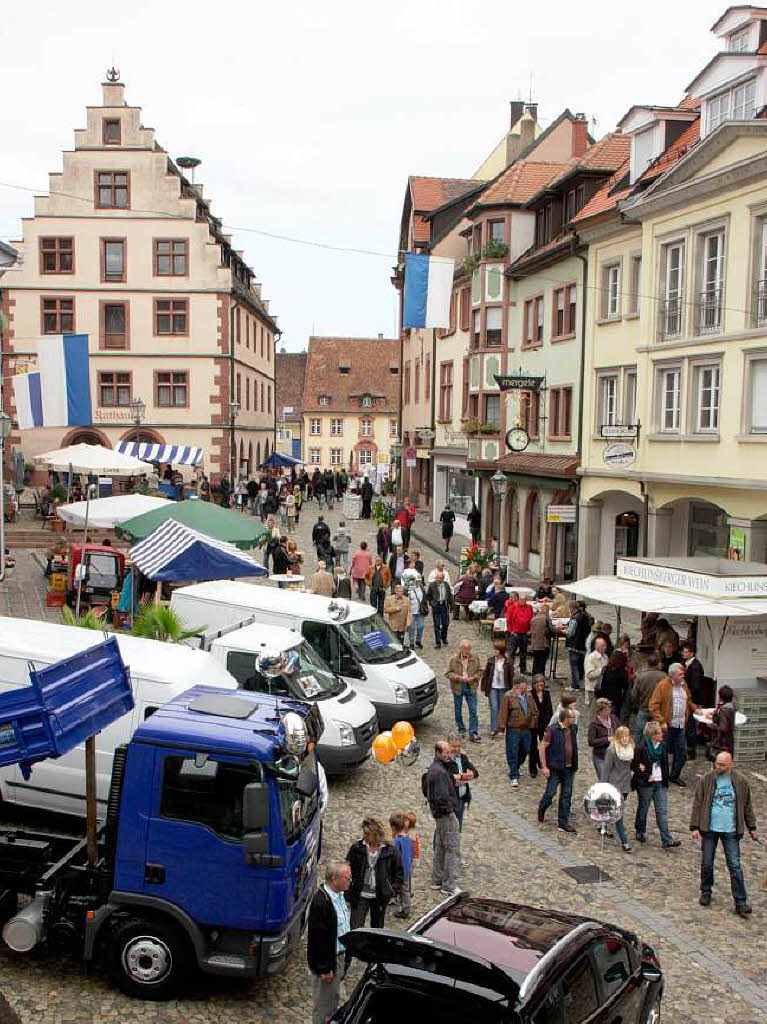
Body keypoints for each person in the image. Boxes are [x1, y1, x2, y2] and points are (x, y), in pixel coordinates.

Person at [691, 751, 757, 917]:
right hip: (710, 828)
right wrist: (695, 826)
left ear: (730, 765)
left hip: (731, 830)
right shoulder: (707, 779)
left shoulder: (741, 781)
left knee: (735, 866)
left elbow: (747, 805)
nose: (717, 767)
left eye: (722, 765)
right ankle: (706, 891)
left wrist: (752, 827)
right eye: (717, 764)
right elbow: (698, 803)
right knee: (707, 863)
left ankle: (740, 902)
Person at [307, 861, 352, 1024]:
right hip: (328, 964)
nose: (350, 881)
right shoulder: (321, 902)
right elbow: (318, 940)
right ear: (334, 879)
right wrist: (325, 968)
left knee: (333, 1002)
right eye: (347, 878)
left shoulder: (339, 896)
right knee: (323, 1007)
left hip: (338, 958)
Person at [345, 818, 403, 941]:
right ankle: (352, 954)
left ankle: (374, 956)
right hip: (360, 894)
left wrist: (391, 891)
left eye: (367, 833)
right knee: (355, 928)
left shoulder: (390, 851)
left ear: (376, 834)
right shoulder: (357, 848)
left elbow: (398, 874)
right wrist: (348, 892)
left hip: (380, 896)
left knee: (377, 930)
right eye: (364, 833)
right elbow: (347, 870)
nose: (364, 836)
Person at [631, 721, 681, 849]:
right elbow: (634, 766)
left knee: (662, 811)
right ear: (653, 735)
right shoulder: (641, 747)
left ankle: (666, 839)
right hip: (646, 784)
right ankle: (640, 831)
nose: (662, 734)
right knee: (643, 808)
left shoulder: (662, 746)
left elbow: (664, 763)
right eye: (659, 732)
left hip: (660, 782)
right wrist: (647, 775)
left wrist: (666, 777)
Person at [649, 663, 697, 786]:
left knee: (682, 753)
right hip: (667, 727)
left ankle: (674, 776)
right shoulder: (663, 686)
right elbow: (653, 706)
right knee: (662, 753)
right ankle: (662, 777)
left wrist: (696, 709)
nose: (683, 675)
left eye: (683, 673)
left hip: (680, 726)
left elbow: (689, 700)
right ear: (672, 675)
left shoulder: (684, 685)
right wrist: (661, 721)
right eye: (680, 674)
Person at [425, 741, 461, 895]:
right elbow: (442, 796)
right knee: (451, 848)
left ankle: (437, 879)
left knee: (441, 847)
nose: (449, 755)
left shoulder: (434, 768)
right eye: (446, 752)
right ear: (438, 753)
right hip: (445, 815)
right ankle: (449, 885)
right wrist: (450, 811)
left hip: (438, 815)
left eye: (449, 752)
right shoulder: (439, 772)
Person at [537, 708, 578, 833]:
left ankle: (563, 822)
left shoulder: (573, 729)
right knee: (550, 793)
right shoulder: (552, 730)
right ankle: (542, 808)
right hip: (555, 768)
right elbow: (542, 747)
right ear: (566, 719)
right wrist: (544, 767)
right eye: (572, 717)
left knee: (566, 795)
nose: (574, 720)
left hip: (569, 768)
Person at [498, 675, 538, 788]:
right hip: (513, 729)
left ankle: (515, 766)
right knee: (512, 752)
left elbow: (534, 709)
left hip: (526, 729)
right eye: (525, 683)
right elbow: (503, 713)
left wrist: (534, 720)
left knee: (525, 750)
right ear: (518, 685)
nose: (527, 685)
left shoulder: (529, 695)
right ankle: (514, 775)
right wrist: (501, 729)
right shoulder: (509, 696)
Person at [602, 727, 635, 852]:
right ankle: (624, 841)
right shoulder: (612, 750)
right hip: (614, 785)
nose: (626, 738)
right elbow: (606, 769)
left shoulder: (630, 749)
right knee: (618, 813)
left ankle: (603, 824)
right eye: (623, 736)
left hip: (625, 785)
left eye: (627, 736)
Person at [446, 639, 482, 742]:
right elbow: (448, 673)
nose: (466, 651)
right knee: (458, 709)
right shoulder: (454, 659)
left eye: (468, 649)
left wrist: (474, 677)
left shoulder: (475, 658)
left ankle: (473, 733)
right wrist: (458, 677)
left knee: (473, 710)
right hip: (458, 686)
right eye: (465, 648)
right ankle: (461, 728)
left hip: (471, 686)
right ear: (461, 648)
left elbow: (480, 671)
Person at [631, 653, 666, 745]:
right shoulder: (664, 676)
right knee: (658, 733)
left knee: (638, 733)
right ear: (657, 663)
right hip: (658, 710)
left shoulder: (641, 676)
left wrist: (637, 704)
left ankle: (637, 752)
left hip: (643, 708)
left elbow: (634, 694)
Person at [480, 641, 512, 738]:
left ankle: (501, 728)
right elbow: (486, 674)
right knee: (494, 707)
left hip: (503, 687)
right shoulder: (491, 661)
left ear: (501, 651)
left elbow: (511, 676)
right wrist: (483, 687)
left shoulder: (507, 662)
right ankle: (494, 728)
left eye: (496, 650)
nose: (494, 651)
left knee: (502, 708)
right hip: (493, 686)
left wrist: (511, 688)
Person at [447, 733, 478, 830]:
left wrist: (462, 777)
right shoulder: (446, 761)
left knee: (458, 826)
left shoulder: (463, 758)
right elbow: (449, 778)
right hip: (451, 800)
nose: (456, 749)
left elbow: (475, 772)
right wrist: (463, 777)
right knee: (446, 828)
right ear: (448, 745)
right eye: (453, 746)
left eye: (458, 746)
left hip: (462, 799)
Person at [389, 814, 416, 920]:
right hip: (408, 868)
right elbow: (412, 853)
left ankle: (405, 910)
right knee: (406, 889)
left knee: (404, 890)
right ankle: (403, 906)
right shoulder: (408, 838)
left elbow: (395, 857)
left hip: (401, 871)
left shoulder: (397, 841)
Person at [682, 642, 705, 761]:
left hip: (693, 700)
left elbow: (696, 686)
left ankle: (691, 752)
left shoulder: (695, 666)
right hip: (690, 699)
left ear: (692, 653)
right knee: (689, 726)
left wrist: (687, 691)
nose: (683, 653)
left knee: (691, 726)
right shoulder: (687, 664)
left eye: (685, 651)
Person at [587, 697, 619, 780]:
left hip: (614, 756)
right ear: (599, 711)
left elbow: (620, 730)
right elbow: (591, 742)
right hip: (600, 757)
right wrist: (607, 739)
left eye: (609, 709)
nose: (608, 712)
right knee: (603, 780)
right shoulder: (594, 724)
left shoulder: (614, 719)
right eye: (605, 710)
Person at [529, 674, 553, 777]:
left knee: (545, 745)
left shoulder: (547, 694)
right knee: (532, 746)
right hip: (533, 724)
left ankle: (542, 762)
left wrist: (549, 723)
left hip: (544, 723)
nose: (540, 687)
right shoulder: (530, 695)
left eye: (541, 685)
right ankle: (532, 767)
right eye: (538, 685)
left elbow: (549, 709)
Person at [565, 600, 592, 691]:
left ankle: (575, 685)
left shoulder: (575, 618)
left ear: (572, 608)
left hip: (574, 645)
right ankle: (580, 683)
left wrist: (564, 631)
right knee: (581, 665)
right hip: (583, 644)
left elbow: (570, 633)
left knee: (574, 666)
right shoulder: (586, 616)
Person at [505, 592, 533, 673]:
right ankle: (510, 669)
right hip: (515, 633)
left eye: (524, 599)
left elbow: (531, 619)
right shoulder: (512, 607)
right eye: (521, 599)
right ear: (518, 599)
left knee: (524, 652)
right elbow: (508, 621)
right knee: (512, 652)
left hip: (525, 633)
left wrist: (530, 630)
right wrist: (511, 631)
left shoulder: (529, 607)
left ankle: (523, 669)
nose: (522, 601)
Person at [598, 650, 630, 721]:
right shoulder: (622, 673)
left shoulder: (606, 669)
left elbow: (602, 684)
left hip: (604, 698)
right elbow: (625, 686)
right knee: (614, 719)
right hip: (616, 700)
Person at [427, 570, 453, 649]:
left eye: (439, 578)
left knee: (445, 624)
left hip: (444, 606)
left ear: (443, 578)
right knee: (437, 625)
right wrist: (432, 603)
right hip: (436, 606)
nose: (437, 579)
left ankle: (443, 637)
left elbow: (450, 595)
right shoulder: (432, 585)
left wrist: (451, 606)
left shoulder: (446, 585)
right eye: (436, 577)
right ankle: (438, 643)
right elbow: (428, 596)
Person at [529, 599, 554, 676]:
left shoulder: (533, 618)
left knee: (536, 661)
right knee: (542, 662)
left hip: (534, 643)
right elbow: (551, 630)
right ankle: (541, 677)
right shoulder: (546, 618)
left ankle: (534, 676)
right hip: (544, 644)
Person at [710, 685, 736, 758]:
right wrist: (717, 709)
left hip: (722, 743)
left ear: (721, 697)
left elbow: (723, 728)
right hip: (729, 741)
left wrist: (712, 726)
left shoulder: (724, 710)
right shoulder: (732, 708)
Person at [403, 570, 426, 651]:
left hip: (419, 611)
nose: (419, 582)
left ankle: (418, 640)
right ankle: (411, 643)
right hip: (411, 612)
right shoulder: (408, 589)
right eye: (417, 580)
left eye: (420, 581)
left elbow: (424, 598)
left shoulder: (422, 588)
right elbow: (404, 599)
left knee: (421, 626)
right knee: (411, 628)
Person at [583, 636, 608, 709]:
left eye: (605, 645)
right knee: (593, 711)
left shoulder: (605, 656)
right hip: (593, 689)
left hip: (602, 688)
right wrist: (601, 670)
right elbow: (589, 675)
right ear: (597, 646)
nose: (605, 647)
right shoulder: (591, 658)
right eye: (603, 645)